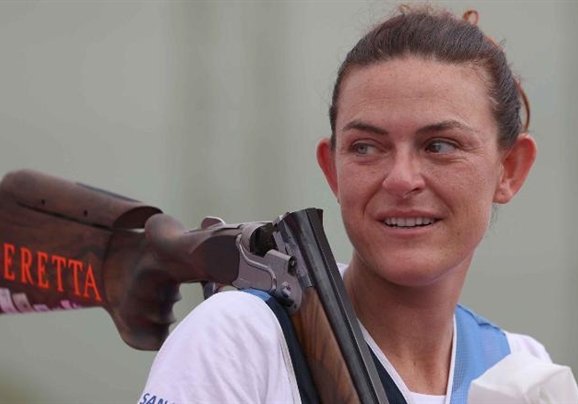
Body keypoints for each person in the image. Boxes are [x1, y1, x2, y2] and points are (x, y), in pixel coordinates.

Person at [139, 6, 550, 404]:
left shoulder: (521, 370)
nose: (401, 179)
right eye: (366, 147)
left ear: (510, 169)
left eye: (440, 146)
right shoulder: (240, 338)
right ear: (332, 169)